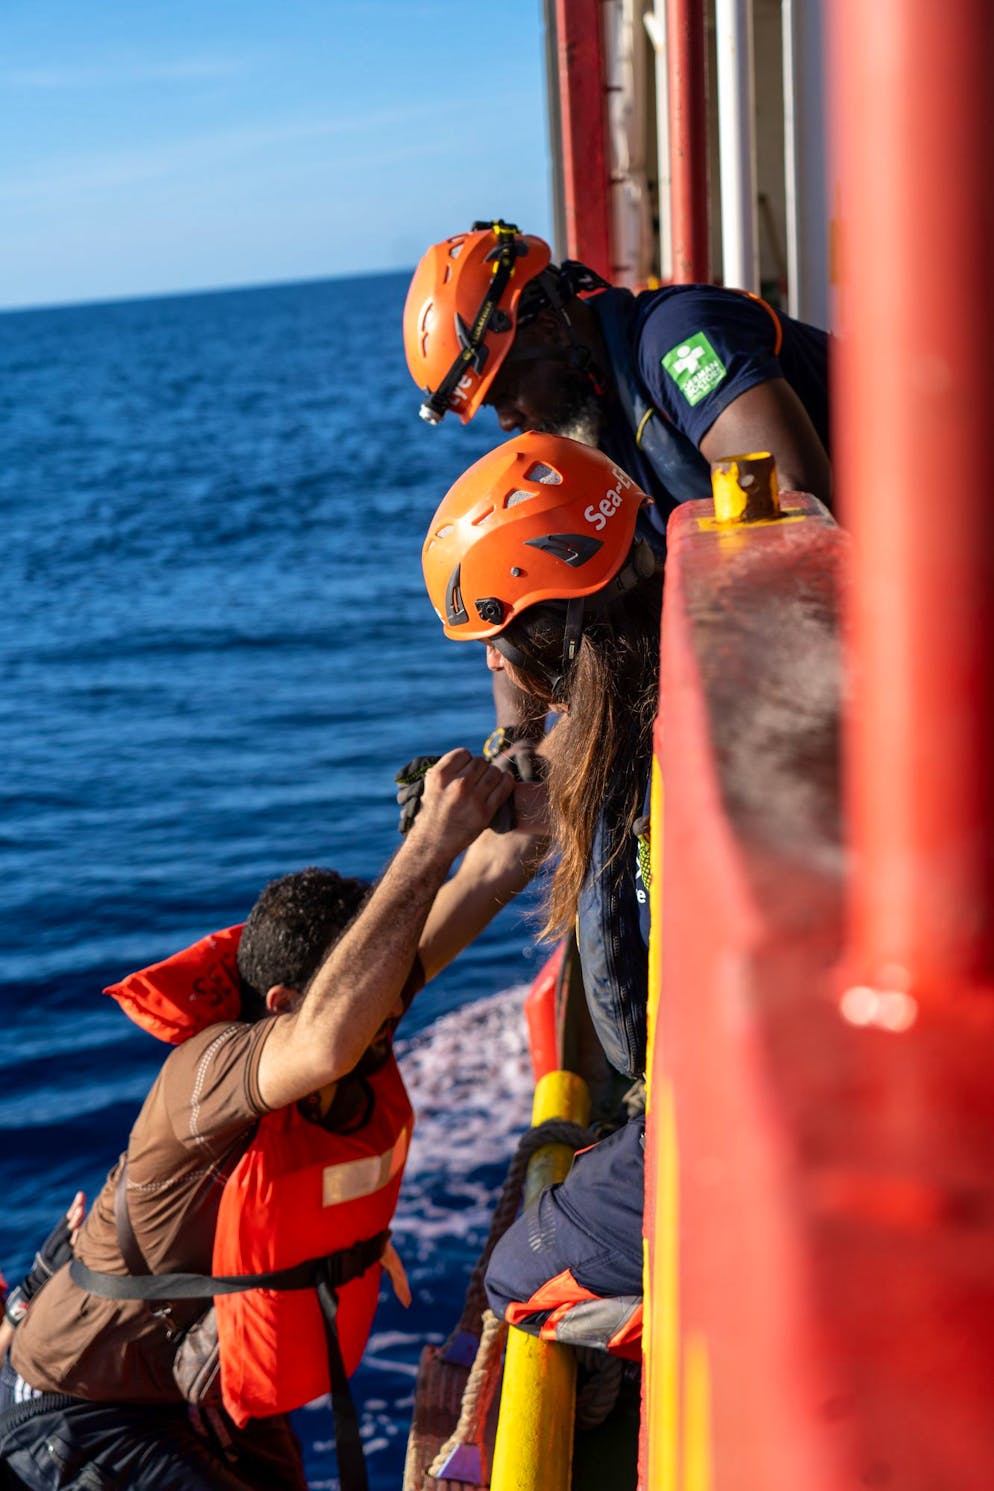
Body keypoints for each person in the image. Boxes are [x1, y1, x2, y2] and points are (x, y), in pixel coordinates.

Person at [0, 749, 535, 1491]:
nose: (391, 1010)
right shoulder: (211, 1072)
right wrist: (428, 843)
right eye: (370, 995)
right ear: (283, 1004)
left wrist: (528, 752)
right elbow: (326, 1039)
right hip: (85, 1404)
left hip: (193, 1381)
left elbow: (490, 872)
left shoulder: (362, 1011)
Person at [421, 432, 666, 1358]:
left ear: (545, 638)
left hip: (746, 1119)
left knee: (517, 1279)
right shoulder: (671, 666)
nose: (492, 667)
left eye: (495, 641)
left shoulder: (653, 752)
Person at [404, 218, 831, 524]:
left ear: (550, 330)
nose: (506, 421)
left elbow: (790, 497)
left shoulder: (677, 337)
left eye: (504, 393)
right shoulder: (601, 418)